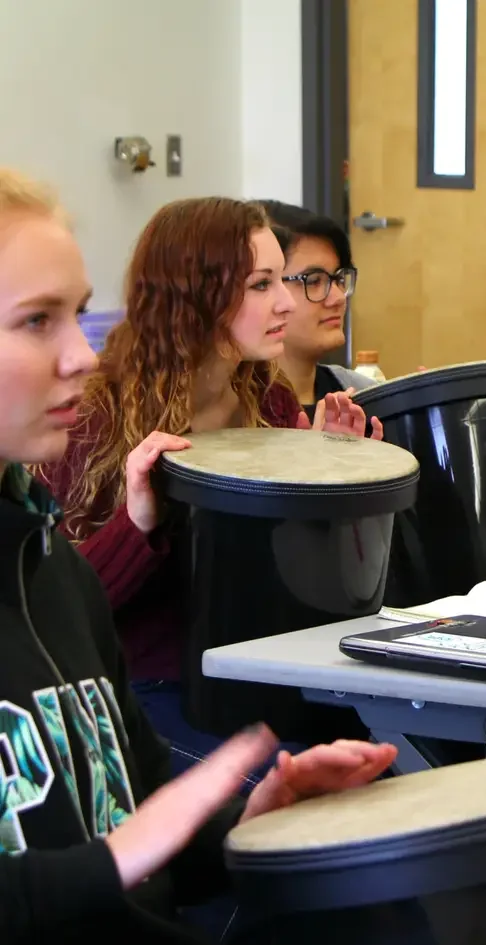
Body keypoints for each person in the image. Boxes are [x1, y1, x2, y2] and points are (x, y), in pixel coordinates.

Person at [0, 165, 399, 945]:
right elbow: (115, 854)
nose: (81, 354)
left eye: (79, 315)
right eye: (36, 321)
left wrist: (238, 823)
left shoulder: (45, 570)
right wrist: (118, 860)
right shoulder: (95, 439)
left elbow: (132, 804)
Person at [36, 197, 377, 772]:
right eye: (261, 285)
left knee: (380, 758)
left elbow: (294, 581)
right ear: (197, 294)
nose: (287, 303)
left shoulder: (266, 399)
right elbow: (61, 611)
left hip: (257, 673)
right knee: (294, 788)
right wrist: (139, 522)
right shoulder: (96, 415)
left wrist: (328, 482)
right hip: (147, 689)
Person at [260, 199, 368, 420]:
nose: (338, 298)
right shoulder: (228, 411)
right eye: (314, 281)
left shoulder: (361, 394)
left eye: (338, 278)